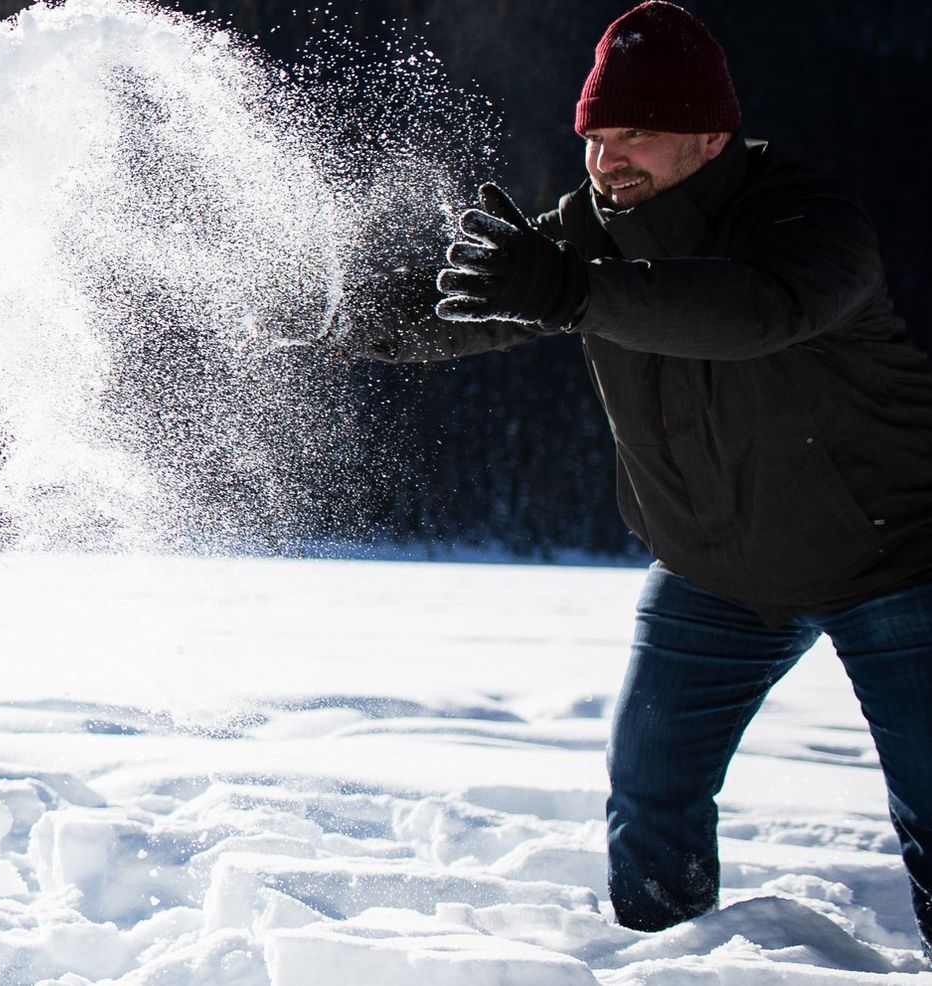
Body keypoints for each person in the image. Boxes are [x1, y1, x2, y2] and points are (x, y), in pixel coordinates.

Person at [337, 0, 932, 949]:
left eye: (637, 135)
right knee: (651, 798)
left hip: (897, 562)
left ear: (709, 137)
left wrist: (575, 291)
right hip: (714, 575)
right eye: (596, 137)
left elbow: (755, 310)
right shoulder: (587, 231)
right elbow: (470, 306)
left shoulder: (807, 220)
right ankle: (668, 960)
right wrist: (338, 318)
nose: (610, 158)